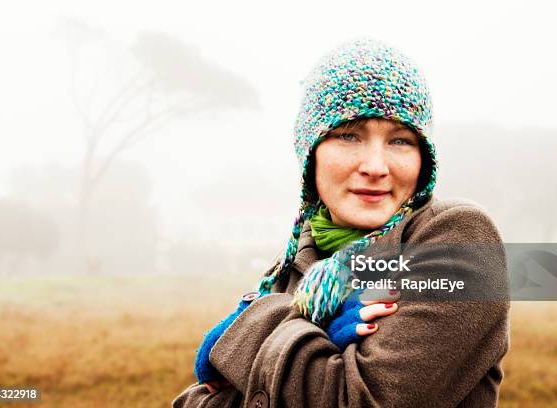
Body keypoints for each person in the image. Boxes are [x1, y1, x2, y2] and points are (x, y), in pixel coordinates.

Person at [172, 38, 510, 408]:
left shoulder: (459, 240)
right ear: (310, 154)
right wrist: (317, 335)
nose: (376, 167)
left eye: (400, 141)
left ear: (423, 159)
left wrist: (254, 322)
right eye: (348, 135)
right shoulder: (298, 259)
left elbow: (359, 401)